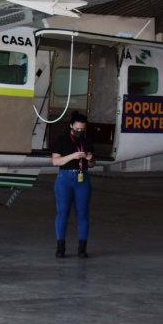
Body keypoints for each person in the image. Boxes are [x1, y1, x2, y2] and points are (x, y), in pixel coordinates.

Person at [51, 111, 96, 259]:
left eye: (82, 129)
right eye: (77, 129)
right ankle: (60, 247)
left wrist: (90, 158)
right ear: (71, 126)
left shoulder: (87, 141)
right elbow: (56, 161)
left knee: (83, 214)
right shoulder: (61, 140)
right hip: (65, 178)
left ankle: (82, 248)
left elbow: (93, 164)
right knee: (62, 212)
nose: (79, 131)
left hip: (82, 178)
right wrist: (73, 156)